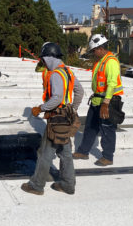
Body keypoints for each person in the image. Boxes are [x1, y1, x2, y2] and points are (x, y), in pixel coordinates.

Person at [21, 42, 84, 195]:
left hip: (56, 119)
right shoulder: (67, 72)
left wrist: (40, 108)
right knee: (65, 152)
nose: (43, 62)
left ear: (50, 57)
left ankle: (36, 185)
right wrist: (72, 109)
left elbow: (56, 98)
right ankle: (68, 185)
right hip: (66, 118)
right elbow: (80, 92)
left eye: (44, 59)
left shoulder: (56, 74)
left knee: (45, 152)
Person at [73, 34, 123, 166]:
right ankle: (83, 151)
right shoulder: (100, 61)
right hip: (97, 100)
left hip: (108, 101)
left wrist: (106, 103)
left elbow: (112, 83)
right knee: (90, 127)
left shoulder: (111, 62)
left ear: (100, 48)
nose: (93, 53)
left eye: (94, 50)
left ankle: (107, 157)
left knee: (107, 129)